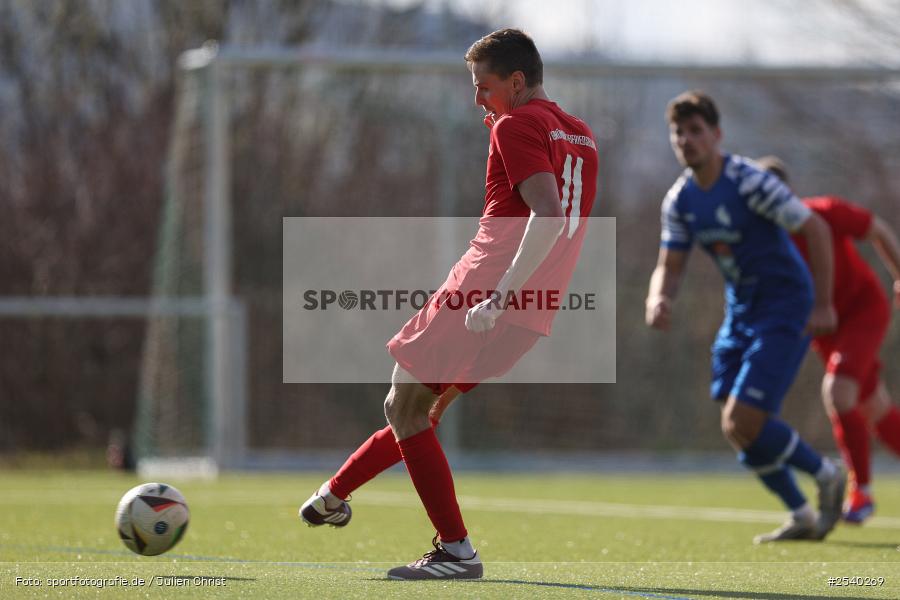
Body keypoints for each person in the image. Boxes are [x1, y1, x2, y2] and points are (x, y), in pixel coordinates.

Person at [299, 28, 599, 579]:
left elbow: (547, 215)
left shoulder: (518, 123)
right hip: (534, 310)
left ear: (515, 81)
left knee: (402, 406)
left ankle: (456, 550)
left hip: (485, 291)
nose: (477, 99)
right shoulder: (579, 134)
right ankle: (333, 496)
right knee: (420, 414)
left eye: (483, 87)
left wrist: (497, 293)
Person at [645, 90, 846, 543]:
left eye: (696, 131)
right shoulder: (679, 200)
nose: (687, 139)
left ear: (716, 135)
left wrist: (822, 302)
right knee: (736, 428)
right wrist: (658, 298)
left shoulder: (749, 181)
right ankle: (802, 514)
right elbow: (669, 265)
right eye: (679, 132)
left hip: (785, 304)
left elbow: (814, 228)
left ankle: (826, 472)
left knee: (745, 419)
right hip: (741, 312)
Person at [757, 155, 900, 523]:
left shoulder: (822, 212)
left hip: (863, 310)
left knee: (837, 393)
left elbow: (877, 229)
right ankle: (861, 490)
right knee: (873, 407)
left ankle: (861, 493)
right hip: (824, 328)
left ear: (789, 193)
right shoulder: (761, 245)